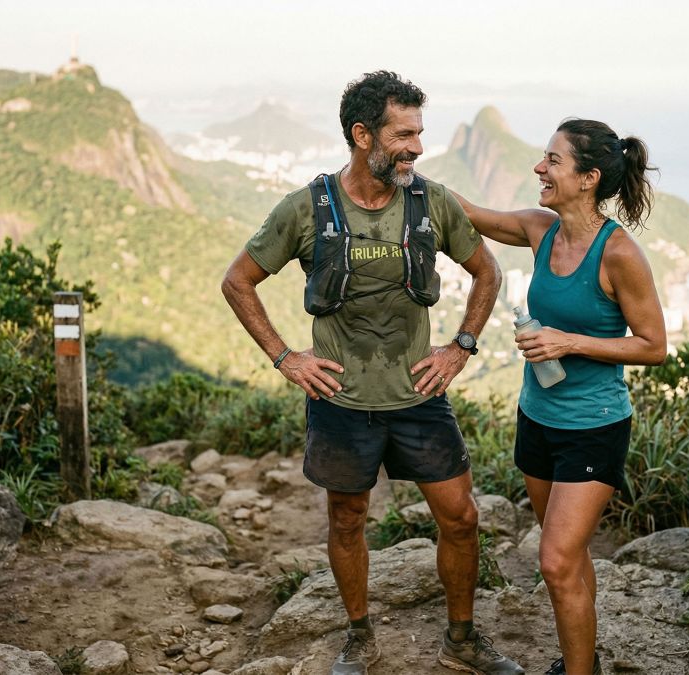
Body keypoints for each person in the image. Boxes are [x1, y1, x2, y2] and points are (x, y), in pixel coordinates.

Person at [221, 71, 524, 675]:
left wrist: (461, 346)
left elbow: (488, 273)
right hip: (342, 398)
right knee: (347, 519)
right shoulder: (308, 208)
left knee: (462, 518)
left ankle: (461, 640)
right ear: (363, 136)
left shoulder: (431, 201)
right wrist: (287, 358)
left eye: (420, 133)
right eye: (403, 134)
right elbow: (238, 281)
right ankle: (360, 639)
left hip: (417, 394)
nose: (416, 147)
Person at [454, 119, 666, 675]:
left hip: (593, 427)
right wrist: (404, 170)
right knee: (568, 559)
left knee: (553, 560)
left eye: (553, 160)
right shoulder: (539, 230)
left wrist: (566, 341)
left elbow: (654, 347)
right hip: (538, 417)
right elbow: (469, 212)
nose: (539, 168)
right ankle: (583, 660)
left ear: (589, 178)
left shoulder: (619, 254)